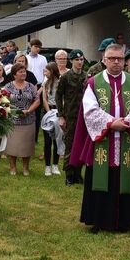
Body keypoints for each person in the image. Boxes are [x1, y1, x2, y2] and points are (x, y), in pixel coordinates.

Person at [69, 44, 130, 233]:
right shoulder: (93, 82)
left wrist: (127, 122)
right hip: (102, 140)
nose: (116, 62)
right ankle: (98, 221)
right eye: (111, 58)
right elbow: (90, 110)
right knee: (100, 178)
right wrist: (112, 123)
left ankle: (124, 222)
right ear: (104, 60)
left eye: (119, 59)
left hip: (125, 141)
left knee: (123, 178)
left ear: (124, 60)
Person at [56, 49, 88, 186]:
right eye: (77, 60)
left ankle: (78, 173)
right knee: (70, 145)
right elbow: (58, 96)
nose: (79, 62)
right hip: (70, 116)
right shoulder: (66, 77)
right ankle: (69, 175)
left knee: (81, 145)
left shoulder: (87, 77)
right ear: (71, 61)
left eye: (81, 60)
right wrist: (61, 115)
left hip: (84, 116)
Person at [4, 64, 41, 176]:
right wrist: (14, 110)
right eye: (20, 72)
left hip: (28, 120)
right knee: (12, 145)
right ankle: (12, 167)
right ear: (14, 74)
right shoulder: (8, 87)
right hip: (13, 120)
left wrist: (28, 110)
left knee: (27, 145)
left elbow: (37, 100)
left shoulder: (30, 86)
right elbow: (3, 101)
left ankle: (25, 168)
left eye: (24, 71)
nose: (23, 74)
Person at [40, 62, 62, 176]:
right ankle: (47, 166)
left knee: (57, 139)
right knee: (47, 141)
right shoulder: (45, 82)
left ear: (52, 71)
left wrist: (59, 112)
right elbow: (44, 98)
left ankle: (55, 165)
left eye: (47, 70)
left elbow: (62, 98)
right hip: (48, 112)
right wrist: (49, 112)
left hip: (58, 112)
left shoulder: (60, 82)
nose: (45, 72)